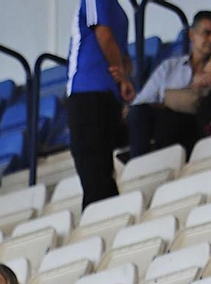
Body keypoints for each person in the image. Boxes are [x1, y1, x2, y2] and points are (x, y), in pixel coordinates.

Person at [127, 11, 211, 158]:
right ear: (192, 35)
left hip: (195, 125)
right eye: (207, 33)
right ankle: (137, 164)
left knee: (168, 120)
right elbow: (143, 101)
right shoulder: (170, 66)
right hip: (166, 124)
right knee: (138, 113)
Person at [65, 0, 132, 208]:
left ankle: (97, 225)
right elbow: (126, 59)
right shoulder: (121, 13)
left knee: (92, 172)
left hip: (86, 93)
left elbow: (103, 34)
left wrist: (122, 79)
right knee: (102, 172)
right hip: (108, 96)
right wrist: (123, 77)